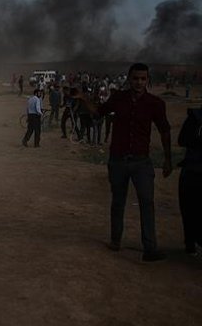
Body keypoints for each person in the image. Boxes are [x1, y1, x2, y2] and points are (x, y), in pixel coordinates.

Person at [85, 63, 172, 262]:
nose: (139, 82)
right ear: (129, 78)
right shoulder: (118, 98)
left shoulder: (155, 103)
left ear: (147, 80)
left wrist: (167, 159)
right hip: (118, 161)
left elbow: (165, 130)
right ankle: (116, 240)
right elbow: (99, 112)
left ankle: (150, 248)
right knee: (118, 202)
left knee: (147, 202)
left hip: (142, 162)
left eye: (143, 79)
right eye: (135, 78)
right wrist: (83, 99)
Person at [177, 105, 202, 256]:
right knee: (189, 208)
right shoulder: (195, 117)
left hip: (192, 169)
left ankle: (190, 242)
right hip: (194, 169)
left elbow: (182, 140)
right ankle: (190, 242)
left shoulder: (195, 117)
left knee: (189, 209)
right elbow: (182, 140)